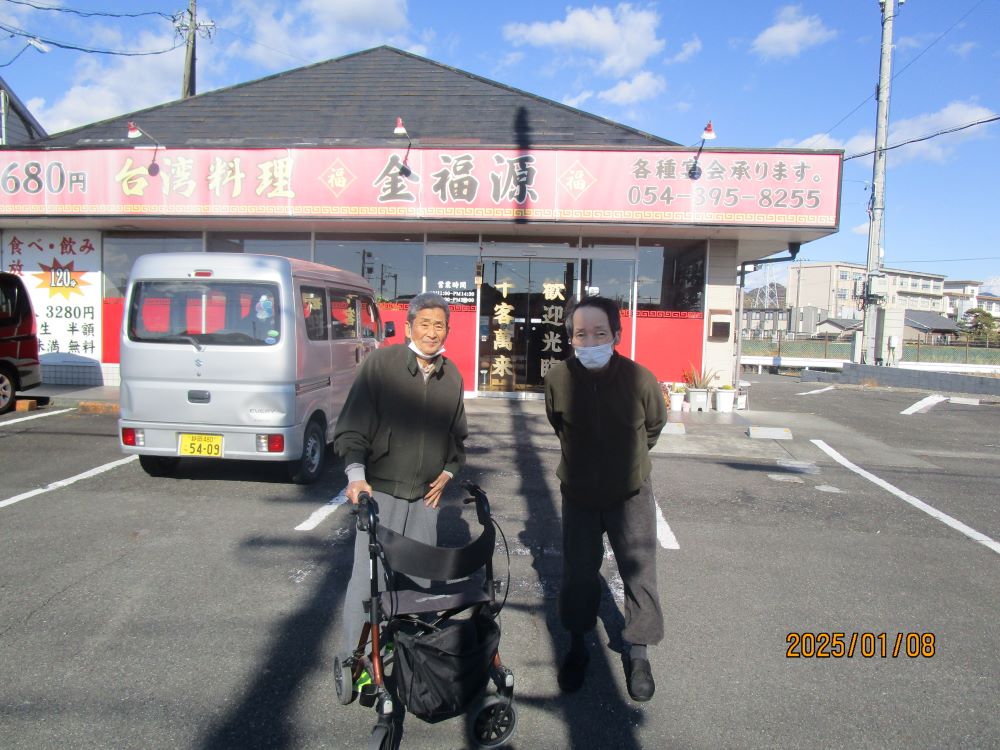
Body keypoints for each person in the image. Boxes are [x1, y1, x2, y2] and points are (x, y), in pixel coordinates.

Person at [543, 295, 667, 702]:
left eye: (599, 332)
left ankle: (638, 651)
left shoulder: (639, 378)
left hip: (629, 492)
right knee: (579, 572)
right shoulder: (558, 378)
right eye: (581, 334)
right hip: (578, 492)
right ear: (570, 338)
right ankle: (578, 645)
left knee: (639, 571)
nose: (590, 340)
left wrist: (624, 462)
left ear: (616, 334)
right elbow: (559, 425)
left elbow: (653, 426)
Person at [335, 292, 468, 661]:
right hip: (381, 493)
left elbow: (458, 435)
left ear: (447, 331)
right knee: (369, 579)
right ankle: (356, 657)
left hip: (426, 499)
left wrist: (449, 470)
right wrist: (356, 475)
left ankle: (412, 656)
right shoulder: (382, 364)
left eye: (439, 325)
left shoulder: (451, 375)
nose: (431, 332)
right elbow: (353, 425)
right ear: (409, 326)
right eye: (424, 323)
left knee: (420, 582)